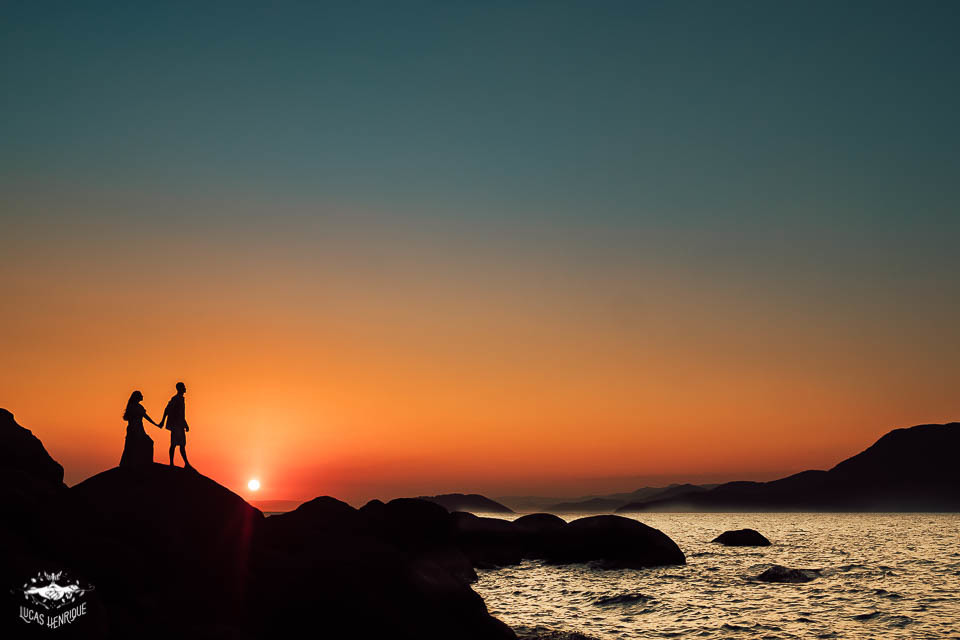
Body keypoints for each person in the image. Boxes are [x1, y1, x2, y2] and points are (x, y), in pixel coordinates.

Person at [119, 390, 162, 467]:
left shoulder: (134, 406)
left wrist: (156, 425)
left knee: (131, 446)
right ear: (137, 397)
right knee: (145, 443)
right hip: (136, 429)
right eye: (141, 395)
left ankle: (133, 463)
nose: (142, 396)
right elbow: (146, 417)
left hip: (135, 429)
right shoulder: (136, 407)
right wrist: (156, 424)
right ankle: (147, 462)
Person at [160, 381, 193, 469]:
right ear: (180, 388)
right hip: (176, 425)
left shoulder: (181, 399)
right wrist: (162, 421)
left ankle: (186, 463)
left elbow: (181, 414)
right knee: (174, 444)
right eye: (184, 387)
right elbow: (167, 409)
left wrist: (185, 424)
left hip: (180, 425)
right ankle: (172, 463)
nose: (185, 388)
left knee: (182, 445)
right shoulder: (176, 399)